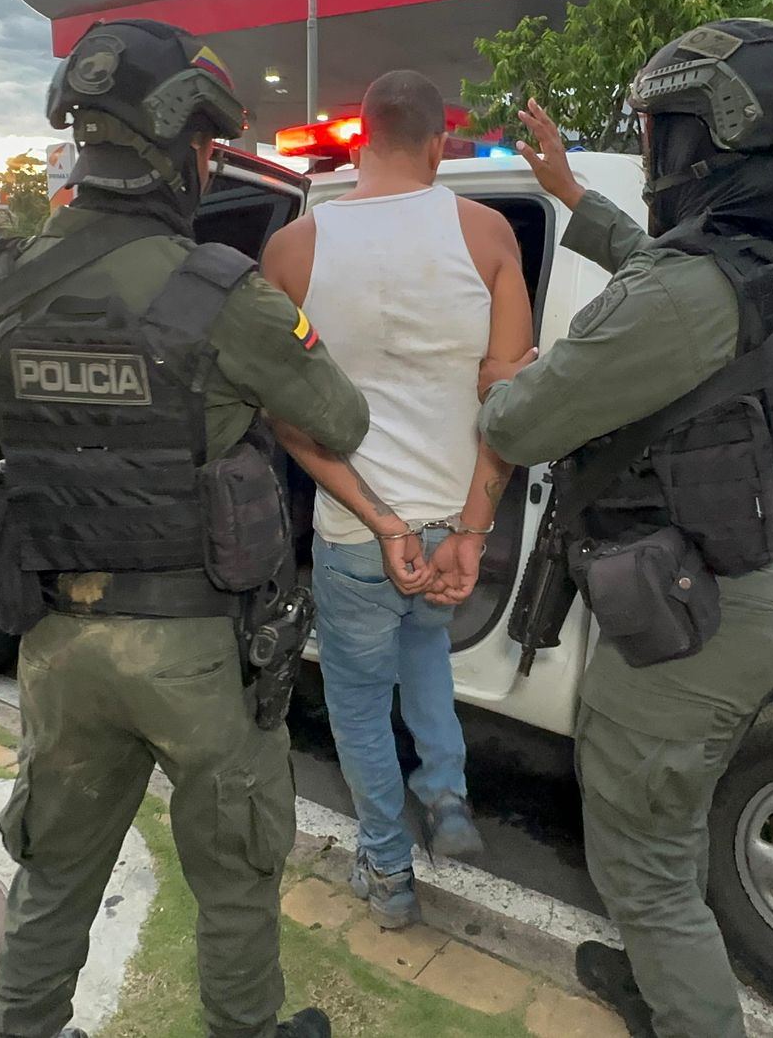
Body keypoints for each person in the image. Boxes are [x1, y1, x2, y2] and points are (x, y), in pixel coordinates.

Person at [0, 19, 369, 1038]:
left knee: (54, 866)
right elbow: (341, 420)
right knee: (235, 868)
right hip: (196, 651)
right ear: (185, 149)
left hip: (58, 645)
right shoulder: (223, 293)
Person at [478, 19, 773, 1038]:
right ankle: (657, 977)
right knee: (668, 812)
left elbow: (518, 426)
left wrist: (503, 377)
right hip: (762, 579)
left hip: (699, 616)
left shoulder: (681, 296)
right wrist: (567, 192)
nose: (652, 151)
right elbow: (669, 278)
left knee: (641, 858)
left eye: (661, 130)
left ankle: (687, 1012)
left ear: (705, 136)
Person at [261, 70, 534, 929]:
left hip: (356, 531)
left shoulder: (294, 248)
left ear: (359, 144)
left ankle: (387, 870)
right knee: (426, 649)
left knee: (356, 701)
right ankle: (447, 797)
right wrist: (473, 530)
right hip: (451, 521)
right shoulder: (488, 235)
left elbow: (283, 415)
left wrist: (381, 521)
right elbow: (512, 405)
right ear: (437, 146)